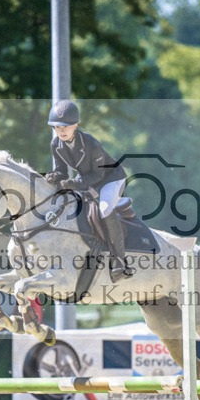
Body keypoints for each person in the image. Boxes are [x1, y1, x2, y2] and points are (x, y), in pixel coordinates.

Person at [44, 99, 133, 282]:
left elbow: (98, 176)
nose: (61, 131)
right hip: (88, 179)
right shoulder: (56, 145)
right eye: (57, 127)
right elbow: (62, 170)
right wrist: (54, 176)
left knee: (105, 209)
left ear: (75, 125)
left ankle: (120, 261)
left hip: (111, 178)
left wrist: (74, 184)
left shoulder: (91, 143)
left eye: (65, 127)